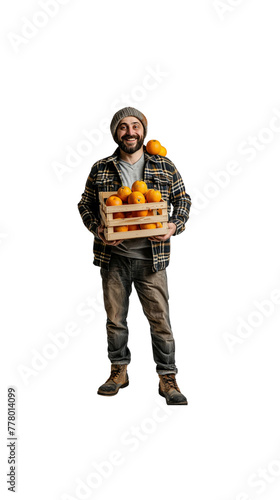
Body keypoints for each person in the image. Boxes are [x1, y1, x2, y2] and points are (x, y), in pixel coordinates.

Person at [78, 107, 191, 405]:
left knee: (160, 320)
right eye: (123, 127)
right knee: (115, 320)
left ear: (143, 130)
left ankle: (168, 377)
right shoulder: (101, 167)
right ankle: (119, 371)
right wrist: (97, 228)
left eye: (135, 125)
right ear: (116, 133)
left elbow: (183, 200)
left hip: (152, 258)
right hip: (114, 257)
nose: (130, 132)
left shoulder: (164, 165)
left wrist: (173, 225)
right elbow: (85, 204)